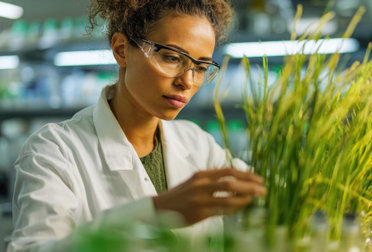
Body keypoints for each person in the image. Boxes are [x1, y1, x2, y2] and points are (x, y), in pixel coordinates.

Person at [7, 0, 266, 251]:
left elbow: (269, 194)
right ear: (121, 49)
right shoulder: (53, 152)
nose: (187, 82)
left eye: (200, 67)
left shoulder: (198, 145)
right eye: (172, 57)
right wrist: (156, 211)